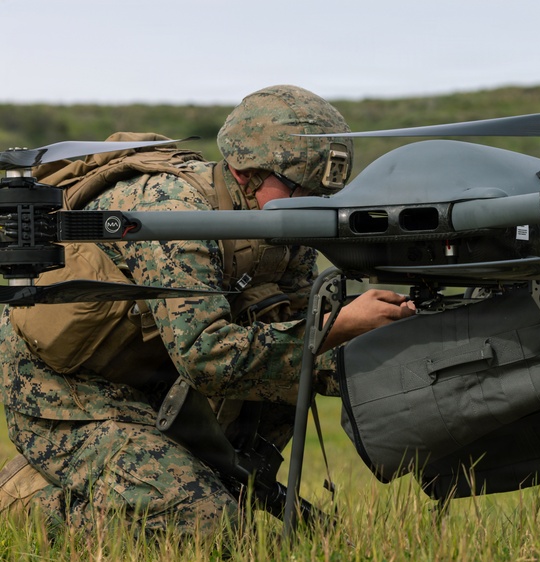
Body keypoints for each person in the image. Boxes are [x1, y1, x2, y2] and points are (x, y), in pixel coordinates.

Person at [0, 85, 416, 536]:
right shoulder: (172, 209)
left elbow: (292, 336)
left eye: (323, 194)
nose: (311, 204)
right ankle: (23, 502)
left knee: (235, 493)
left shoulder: (282, 228)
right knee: (206, 525)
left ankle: (184, 477)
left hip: (154, 387)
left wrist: (391, 345)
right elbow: (208, 356)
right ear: (247, 172)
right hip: (65, 398)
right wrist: (337, 328)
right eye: (300, 188)